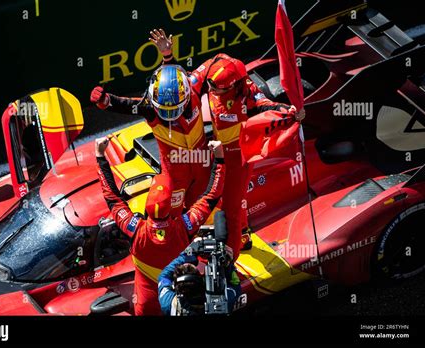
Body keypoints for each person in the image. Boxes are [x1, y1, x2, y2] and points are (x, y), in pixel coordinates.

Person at [151, 29, 305, 260]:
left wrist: (292, 112)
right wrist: (168, 56)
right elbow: (183, 84)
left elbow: (268, 106)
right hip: (215, 150)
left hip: (240, 156)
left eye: (217, 90)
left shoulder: (247, 93)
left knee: (234, 202)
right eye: (210, 87)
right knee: (211, 193)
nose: (210, 91)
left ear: (234, 86)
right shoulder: (211, 69)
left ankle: (240, 237)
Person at [95, 137, 225, 315]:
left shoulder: (134, 229)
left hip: (145, 307)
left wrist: (100, 156)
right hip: (177, 307)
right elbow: (211, 195)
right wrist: (219, 159)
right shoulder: (184, 227)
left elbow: (111, 197)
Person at [90, 31, 210, 216]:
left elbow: (180, 76)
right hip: (175, 175)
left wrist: (168, 55)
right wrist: (104, 101)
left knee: (201, 208)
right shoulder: (150, 107)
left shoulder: (192, 87)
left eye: (174, 108)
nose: (169, 113)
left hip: (202, 165)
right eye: (165, 109)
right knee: (174, 214)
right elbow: (126, 105)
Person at [158, 239, 241, 316]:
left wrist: (187, 254)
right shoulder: (223, 303)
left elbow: (164, 276)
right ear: (203, 282)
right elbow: (235, 284)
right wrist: (228, 265)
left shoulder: (168, 303)